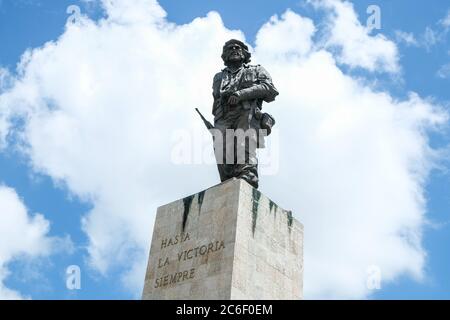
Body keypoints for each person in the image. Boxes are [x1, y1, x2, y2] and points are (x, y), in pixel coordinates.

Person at [211, 39, 279, 189]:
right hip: (223, 116)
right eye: (230, 48)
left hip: (246, 112)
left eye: (238, 47)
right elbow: (215, 98)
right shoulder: (218, 77)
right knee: (221, 151)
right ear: (225, 55)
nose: (234, 49)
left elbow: (270, 89)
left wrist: (240, 94)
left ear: (244, 53)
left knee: (244, 144)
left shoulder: (255, 70)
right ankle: (228, 180)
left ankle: (249, 175)